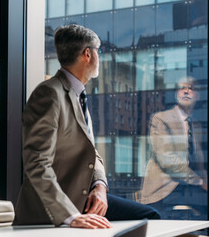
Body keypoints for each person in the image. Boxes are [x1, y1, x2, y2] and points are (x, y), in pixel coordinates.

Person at [13, 24, 160, 229]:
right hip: (54, 209)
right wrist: (70, 216)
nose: (99, 57)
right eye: (98, 52)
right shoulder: (49, 94)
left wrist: (99, 185)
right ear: (88, 54)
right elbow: (36, 163)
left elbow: (91, 151)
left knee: (149, 217)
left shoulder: (78, 94)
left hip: (84, 199)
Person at [139, 77, 207, 219]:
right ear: (176, 94)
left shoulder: (196, 125)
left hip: (190, 191)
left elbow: (198, 161)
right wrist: (200, 181)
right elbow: (166, 159)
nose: (186, 91)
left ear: (198, 96)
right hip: (164, 192)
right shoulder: (161, 118)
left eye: (191, 88)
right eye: (182, 88)